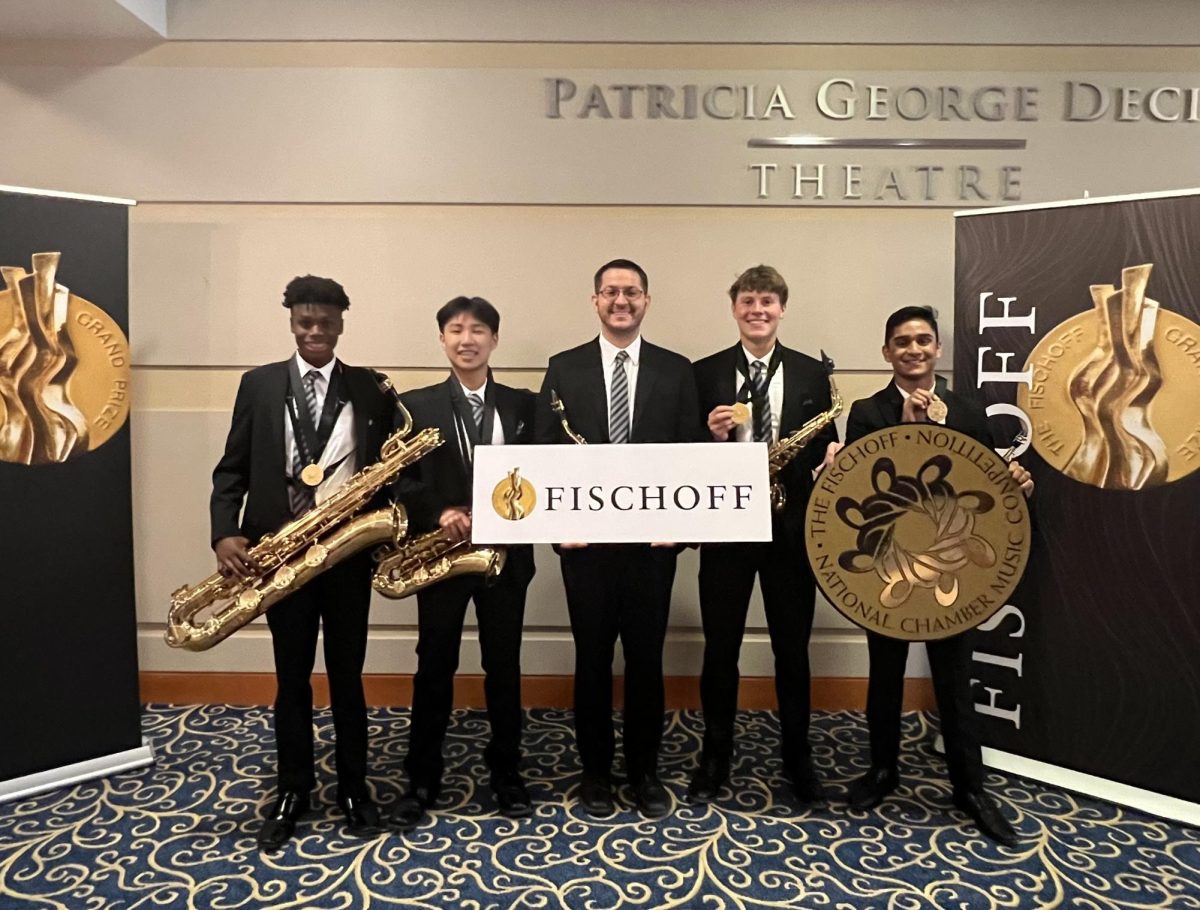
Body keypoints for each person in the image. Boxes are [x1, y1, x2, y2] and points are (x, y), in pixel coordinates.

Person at [825, 304, 1034, 846]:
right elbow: (869, 484)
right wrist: (910, 427)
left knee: (952, 679)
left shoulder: (970, 409)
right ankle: (882, 770)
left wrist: (1016, 482)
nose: (913, 349)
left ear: (937, 349)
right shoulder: (868, 413)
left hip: (954, 568)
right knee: (886, 674)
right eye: (901, 341)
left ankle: (970, 788)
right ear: (886, 352)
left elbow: (984, 490)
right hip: (888, 566)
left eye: (922, 340)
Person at [210, 275, 393, 851]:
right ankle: (293, 789)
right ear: (291, 321)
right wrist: (224, 534)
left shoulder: (371, 388)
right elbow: (230, 469)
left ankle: (354, 789)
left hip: (344, 555)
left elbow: (389, 471)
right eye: (305, 322)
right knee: (291, 679)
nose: (315, 331)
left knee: (347, 678)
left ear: (342, 322)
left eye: (326, 322)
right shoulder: (259, 384)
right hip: (280, 556)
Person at [534, 258, 701, 818]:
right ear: (595, 300)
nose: (621, 300)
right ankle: (596, 774)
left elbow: (691, 456)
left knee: (647, 663)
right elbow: (543, 456)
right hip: (587, 551)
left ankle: (645, 772)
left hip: (653, 550)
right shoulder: (564, 368)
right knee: (592, 663)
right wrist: (558, 530)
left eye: (631, 292)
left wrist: (679, 530)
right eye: (610, 291)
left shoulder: (678, 371)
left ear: (647, 301)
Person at [689, 265, 839, 807]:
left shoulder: (812, 373)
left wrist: (832, 459)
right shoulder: (703, 372)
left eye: (768, 301)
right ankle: (715, 754)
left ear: (783, 309)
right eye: (748, 300)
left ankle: (798, 757)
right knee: (720, 648)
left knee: (792, 650)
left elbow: (829, 446)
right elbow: (680, 454)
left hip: (793, 532)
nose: (758, 310)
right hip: (726, 530)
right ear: (734, 308)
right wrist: (707, 437)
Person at [389, 296, 536, 829]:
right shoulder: (414, 405)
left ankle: (507, 773)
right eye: (456, 330)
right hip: (443, 559)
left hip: (505, 561)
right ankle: (422, 776)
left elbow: (546, 472)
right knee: (434, 666)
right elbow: (397, 480)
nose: (467, 339)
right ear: (443, 339)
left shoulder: (525, 405)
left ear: (495, 340)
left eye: (478, 330)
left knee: (504, 667)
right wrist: (439, 511)